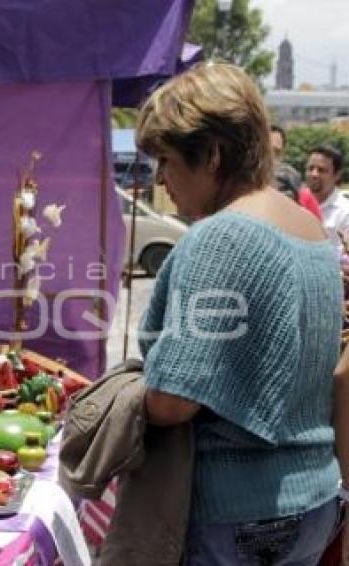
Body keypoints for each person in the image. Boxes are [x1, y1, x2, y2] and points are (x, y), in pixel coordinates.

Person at [135, 62, 343, 564]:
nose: (161, 178)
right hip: (313, 501)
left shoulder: (221, 238)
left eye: (165, 160)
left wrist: (116, 402)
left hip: (237, 514)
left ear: (212, 154)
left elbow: (171, 401)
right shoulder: (310, 232)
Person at [270, 124, 323, 220]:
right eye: (266, 151)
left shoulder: (304, 198)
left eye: (277, 152)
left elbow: (317, 232)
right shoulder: (239, 194)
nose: (271, 158)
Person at [307, 144, 349, 257]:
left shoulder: (345, 213)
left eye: (321, 170)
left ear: (337, 175)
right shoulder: (296, 204)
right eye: (310, 168)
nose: (314, 174)